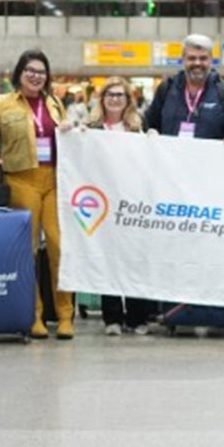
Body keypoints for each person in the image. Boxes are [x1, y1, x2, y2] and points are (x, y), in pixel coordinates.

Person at [0, 50, 74, 340]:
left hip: (54, 180)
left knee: (59, 247)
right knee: (27, 253)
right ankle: (34, 315)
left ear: (47, 76)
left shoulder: (55, 103)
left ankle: (65, 315)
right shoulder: (3, 104)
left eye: (41, 71)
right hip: (21, 181)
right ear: (20, 73)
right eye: (30, 70)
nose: (35, 76)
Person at [85, 76, 155, 336]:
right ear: (102, 99)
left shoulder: (137, 127)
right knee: (108, 260)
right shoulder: (91, 128)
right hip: (103, 202)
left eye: (120, 95)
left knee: (135, 259)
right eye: (110, 94)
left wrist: (154, 140)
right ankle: (112, 317)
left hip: (133, 202)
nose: (115, 99)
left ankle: (138, 318)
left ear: (128, 100)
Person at [143, 34, 224, 143]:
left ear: (211, 60)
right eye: (191, 58)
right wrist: (151, 131)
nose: (197, 63)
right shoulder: (166, 89)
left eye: (203, 58)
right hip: (171, 159)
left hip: (209, 159)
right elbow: (149, 123)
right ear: (183, 59)